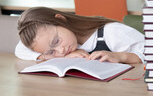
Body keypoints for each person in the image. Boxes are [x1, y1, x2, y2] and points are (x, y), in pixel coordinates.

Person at [15, 7, 145, 64]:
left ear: (61, 19)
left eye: (56, 42)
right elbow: (20, 49)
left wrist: (121, 56)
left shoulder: (111, 32)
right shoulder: (64, 46)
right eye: (52, 51)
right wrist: (49, 56)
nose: (61, 51)